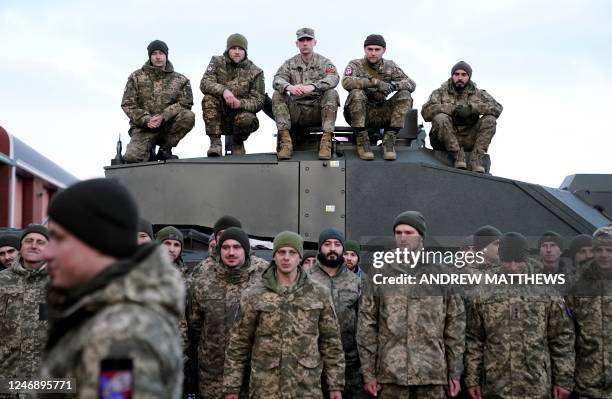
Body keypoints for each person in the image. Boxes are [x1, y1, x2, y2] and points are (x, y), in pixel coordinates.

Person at [39, 178, 184, 398]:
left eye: (58, 238)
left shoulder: (122, 337)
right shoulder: (97, 310)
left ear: (97, 241)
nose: (46, 253)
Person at [223, 231, 345, 399]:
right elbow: (239, 343)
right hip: (265, 388)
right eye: (281, 252)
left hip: (305, 388)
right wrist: (232, 387)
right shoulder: (254, 294)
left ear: (300, 257)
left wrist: (335, 385)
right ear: (274, 256)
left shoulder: (319, 293)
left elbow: (331, 342)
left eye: (292, 252)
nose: (286, 257)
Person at [358, 211, 465, 398]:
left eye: (409, 233)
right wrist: (368, 374)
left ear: (421, 236)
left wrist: (455, 372)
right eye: (398, 233)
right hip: (391, 375)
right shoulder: (380, 271)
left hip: (431, 374)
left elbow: (455, 325)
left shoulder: (442, 272)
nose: (402, 238)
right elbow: (366, 325)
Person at [465, 232, 575, 399]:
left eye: (518, 260)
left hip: (537, 384)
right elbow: (474, 339)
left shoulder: (546, 290)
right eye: (507, 261)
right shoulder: (483, 291)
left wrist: (563, 380)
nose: (513, 266)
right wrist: (472, 379)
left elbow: (562, 338)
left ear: (527, 258)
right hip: (495, 385)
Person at [189, 227, 267, 398]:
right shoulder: (203, 277)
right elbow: (195, 324)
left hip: (251, 374)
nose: (231, 252)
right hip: (214, 374)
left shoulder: (264, 276)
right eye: (225, 247)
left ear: (246, 250)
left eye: (237, 247)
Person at [309, 229, 365, 398]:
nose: (332, 249)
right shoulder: (305, 279)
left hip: (350, 366)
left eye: (337, 244)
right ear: (320, 248)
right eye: (327, 244)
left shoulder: (356, 282)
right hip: (313, 365)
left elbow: (365, 324)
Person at [342, 34, 416, 161]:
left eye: (377, 50)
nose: (373, 53)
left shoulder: (390, 66)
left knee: (405, 94)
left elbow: (411, 84)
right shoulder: (355, 64)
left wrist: (393, 85)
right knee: (356, 93)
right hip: (360, 113)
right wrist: (375, 83)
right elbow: (346, 82)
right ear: (365, 49)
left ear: (384, 50)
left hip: (382, 113)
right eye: (370, 49)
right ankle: (362, 139)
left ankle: (389, 139)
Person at [121, 39, 195, 163]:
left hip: (167, 127)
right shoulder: (136, 77)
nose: (158, 57)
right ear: (150, 56)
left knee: (188, 116)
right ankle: (148, 150)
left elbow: (185, 103)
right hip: (144, 128)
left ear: (166, 55)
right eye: (154, 53)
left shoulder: (181, 80)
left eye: (161, 53)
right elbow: (128, 104)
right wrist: (146, 120)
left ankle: (165, 149)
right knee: (132, 158)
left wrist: (164, 116)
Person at [421, 61, 503, 172]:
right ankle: (457, 156)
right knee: (440, 118)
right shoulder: (439, 93)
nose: (460, 78)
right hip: (444, 139)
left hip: (469, 138)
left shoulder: (479, 94)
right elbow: (426, 112)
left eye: (464, 75)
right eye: (457, 74)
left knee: (490, 120)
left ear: (469, 77)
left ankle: (476, 159)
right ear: (452, 76)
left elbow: (497, 108)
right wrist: (452, 109)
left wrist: (472, 109)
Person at [272, 28, 340, 160]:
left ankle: (326, 142)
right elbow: (277, 79)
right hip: (297, 111)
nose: (305, 43)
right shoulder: (290, 63)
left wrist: (313, 86)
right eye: (301, 40)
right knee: (277, 94)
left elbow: (333, 78)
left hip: (318, 111)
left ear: (315, 42)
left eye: (308, 40)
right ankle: (286, 142)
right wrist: (289, 87)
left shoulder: (324, 62)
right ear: (296, 44)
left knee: (331, 93)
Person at [201, 33, 265, 157]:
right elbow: (205, 83)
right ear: (228, 49)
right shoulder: (217, 62)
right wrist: (224, 91)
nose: (237, 52)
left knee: (248, 119)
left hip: (240, 116)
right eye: (233, 48)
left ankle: (238, 143)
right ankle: (215, 143)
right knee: (208, 99)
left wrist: (239, 103)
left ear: (245, 51)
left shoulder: (256, 71)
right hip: (220, 114)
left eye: (240, 49)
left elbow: (259, 101)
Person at [567, 226, 612, 399]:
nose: (604, 255)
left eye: (609, 250)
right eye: (599, 250)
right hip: (586, 380)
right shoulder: (576, 280)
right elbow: (565, 331)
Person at [0, 224, 49, 378]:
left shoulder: (64, 282)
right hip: (7, 377)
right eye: (28, 241)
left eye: (40, 242)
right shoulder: (2, 280)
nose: (33, 246)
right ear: (20, 246)